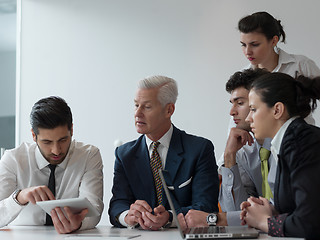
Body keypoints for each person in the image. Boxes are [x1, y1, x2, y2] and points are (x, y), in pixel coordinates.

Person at [108, 75, 219, 230]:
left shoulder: (200, 149)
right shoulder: (124, 154)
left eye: (146, 107)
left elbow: (206, 206)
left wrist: (170, 217)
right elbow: (117, 205)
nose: (137, 113)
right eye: (136, 105)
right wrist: (128, 215)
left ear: (169, 110)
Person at [217, 10, 320, 176]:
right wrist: (224, 165)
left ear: (274, 40)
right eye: (243, 45)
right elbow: (236, 124)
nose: (247, 52)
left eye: (254, 44)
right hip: (261, 157)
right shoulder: (244, 77)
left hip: (301, 149)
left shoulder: (301, 65)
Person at [179, 68, 276, 228]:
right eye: (232, 104)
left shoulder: (289, 146)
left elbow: (286, 212)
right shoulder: (244, 149)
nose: (232, 112)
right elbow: (235, 211)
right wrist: (229, 156)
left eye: (240, 103)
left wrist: (213, 219)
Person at [0, 96, 103, 234]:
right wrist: (20, 197)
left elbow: (94, 209)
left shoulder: (89, 156)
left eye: (63, 140)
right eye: (47, 142)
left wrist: (78, 223)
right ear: (33, 135)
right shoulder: (13, 159)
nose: (56, 150)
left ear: (71, 130)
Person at [240, 72, 320, 238]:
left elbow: (308, 223)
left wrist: (264, 221)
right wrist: (273, 211)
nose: (248, 118)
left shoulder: (302, 143)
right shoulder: (290, 141)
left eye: (253, 109)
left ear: (277, 110)